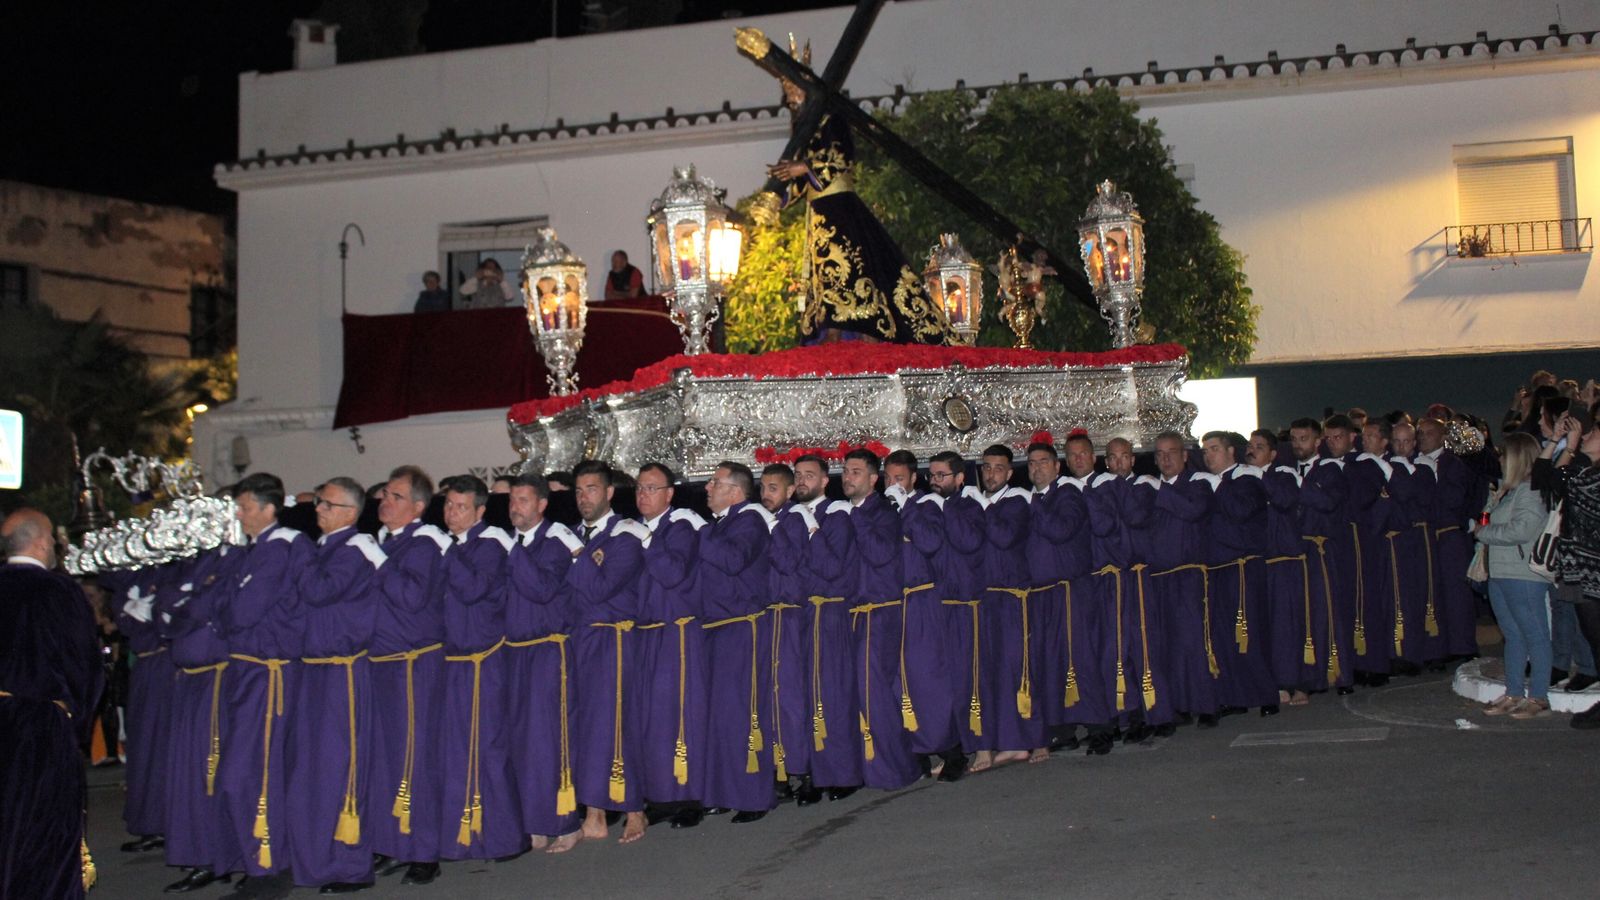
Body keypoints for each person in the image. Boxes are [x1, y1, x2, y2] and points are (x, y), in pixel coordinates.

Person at [766, 63, 955, 345]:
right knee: (824, 274)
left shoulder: (831, 118)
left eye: (793, 88)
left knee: (850, 267)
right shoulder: (802, 129)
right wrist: (778, 197)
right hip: (817, 214)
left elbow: (842, 157)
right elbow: (800, 179)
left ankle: (856, 327)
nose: (789, 96)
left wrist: (805, 166)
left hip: (839, 209)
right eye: (786, 90)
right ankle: (829, 327)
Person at [0, 508, 104, 900]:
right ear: (42, 542)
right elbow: (85, 666)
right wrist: (73, 722)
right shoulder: (58, 591)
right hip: (41, 726)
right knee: (46, 832)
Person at [215, 473, 313, 886]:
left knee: (255, 772)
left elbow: (240, 612)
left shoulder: (279, 548)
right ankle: (257, 860)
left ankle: (269, 865)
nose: (239, 515)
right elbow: (220, 605)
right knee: (242, 771)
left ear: (269, 509)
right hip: (247, 671)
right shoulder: (250, 552)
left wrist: (228, 603)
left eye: (246, 507)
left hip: (266, 675)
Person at [286, 477, 384, 893]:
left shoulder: (356, 549)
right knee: (312, 770)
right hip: (314, 670)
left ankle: (349, 864)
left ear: (349, 512)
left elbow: (318, 591)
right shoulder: (326, 548)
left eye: (326, 504)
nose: (318, 511)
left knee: (341, 768)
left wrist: (300, 550)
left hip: (342, 672)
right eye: (319, 504)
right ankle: (315, 857)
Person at [368, 466, 452, 886]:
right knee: (383, 761)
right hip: (380, 664)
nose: (385, 501)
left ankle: (424, 850)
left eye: (396, 497)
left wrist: (378, 561)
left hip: (413, 665)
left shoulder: (423, 543)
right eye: (384, 494)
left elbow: (411, 597)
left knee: (417, 760)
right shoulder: (385, 542)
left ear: (418, 507)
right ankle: (391, 842)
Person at [435, 475, 522, 862]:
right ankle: (462, 835)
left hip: (485, 659)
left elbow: (472, 589)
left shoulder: (492, 543)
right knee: (455, 750)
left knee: (490, 746)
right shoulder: (446, 546)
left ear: (480, 511)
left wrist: (447, 551)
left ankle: (502, 837)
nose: (452, 514)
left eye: (460, 507)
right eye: (448, 505)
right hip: (452, 661)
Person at [564, 461, 651, 845]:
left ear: (610, 492)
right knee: (585, 728)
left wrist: (578, 556)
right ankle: (594, 813)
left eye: (592, 489)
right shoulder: (570, 535)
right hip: (580, 640)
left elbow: (601, 588)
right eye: (579, 491)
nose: (585, 497)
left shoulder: (627, 534)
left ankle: (635, 810)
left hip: (614, 641)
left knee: (619, 723)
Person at [502, 472, 584, 851]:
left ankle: (566, 823)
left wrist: (515, 551)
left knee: (550, 739)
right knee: (521, 739)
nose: (514, 507)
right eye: (512, 500)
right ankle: (535, 821)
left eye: (522, 500)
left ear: (541, 504)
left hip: (549, 651)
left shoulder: (556, 539)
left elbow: (541, 589)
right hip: (515, 652)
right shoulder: (514, 543)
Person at [697, 461, 778, 820]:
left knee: (745, 712)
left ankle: (753, 795)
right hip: (716, 626)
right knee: (720, 715)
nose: (707, 488)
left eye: (714, 483)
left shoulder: (750, 520)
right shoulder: (723, 524)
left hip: (742, 626)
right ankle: (724, 790)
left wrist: (699, 534)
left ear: (735, 491)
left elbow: (732, 561)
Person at [631, 463, 710, 829]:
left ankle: (689, 796)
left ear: (669, 493)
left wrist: (645, 541)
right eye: (639, 489)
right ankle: (660, 794)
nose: (643, 495)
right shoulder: (633, 531)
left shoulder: (682, 525)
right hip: (645, 633)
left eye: (651, 488)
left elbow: (673, 572)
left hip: (676, 634)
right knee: (650, 719)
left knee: (680, 715)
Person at [1475, 432, 1554, 719]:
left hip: (1524, 575)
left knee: (1535, 635)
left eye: (1504, 454)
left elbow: (1522, 530)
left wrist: (1484, 532)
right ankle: (1514, 691)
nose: (1500, 459)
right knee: (1513, 636)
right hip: (1502, 572)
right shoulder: (1510, 489)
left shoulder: (1532, 489)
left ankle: (1539, 696)